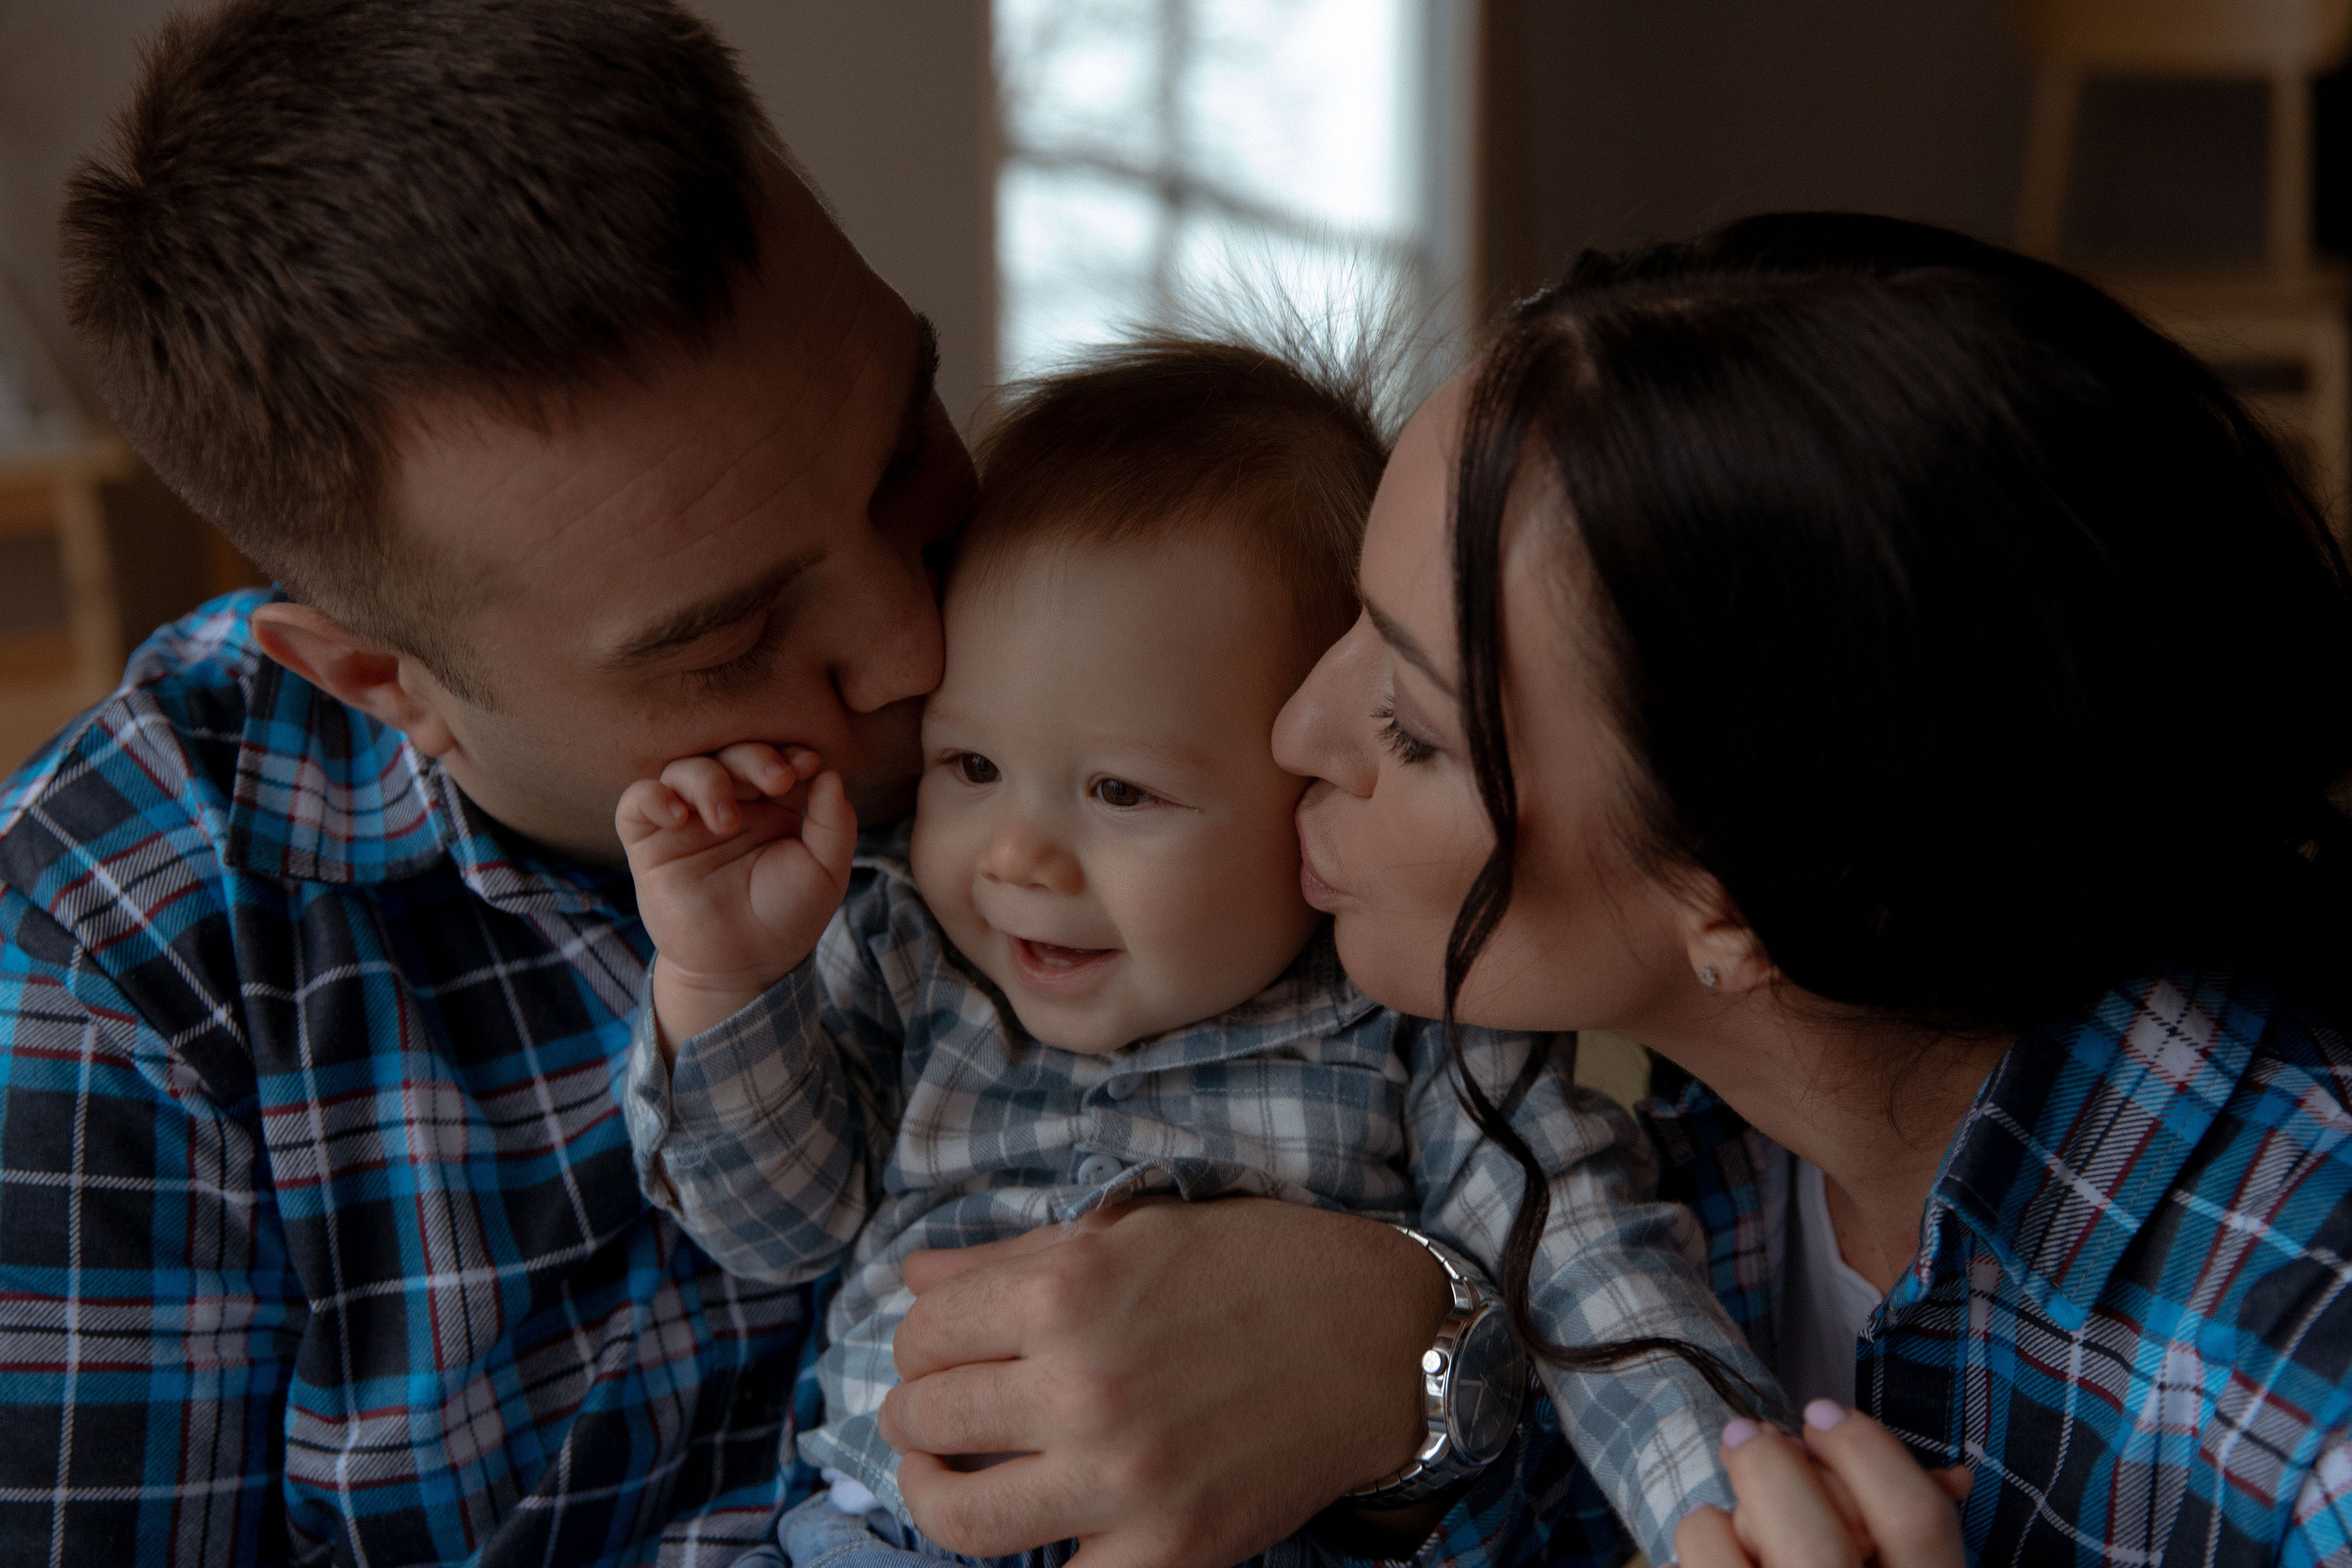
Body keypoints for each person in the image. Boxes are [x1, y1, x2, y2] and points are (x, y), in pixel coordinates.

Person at [0, 3, 1548, 1563]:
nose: (908, 641)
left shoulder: (1124, 622)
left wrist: (1417, 1358)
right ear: (381, 680)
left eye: (899, 456)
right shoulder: (122, 960)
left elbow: (1670, 1313)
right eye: (733, 635)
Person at [1266, 211, 2352, 1568]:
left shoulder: (2310, 1400)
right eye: (1355, 620)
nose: (1293, 734)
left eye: (1414, 731)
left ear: (1745, 897)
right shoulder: (1678, 1160)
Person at [615, 339, 1772, 1568]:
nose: (1016, 859)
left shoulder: (1418, 1024)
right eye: (973, 767)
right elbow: (780, 1228)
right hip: (882, 1535)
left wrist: (1732, 1508)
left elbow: (1585, 1269)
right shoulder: (905, 948)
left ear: (1310, 785)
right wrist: (727, 983)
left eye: (1120, 790)